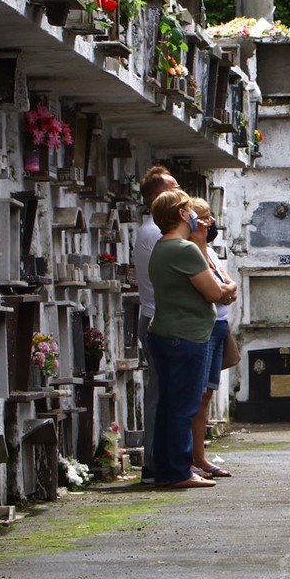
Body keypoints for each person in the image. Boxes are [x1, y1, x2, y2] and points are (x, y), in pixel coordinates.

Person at [147, 189, 237, 488]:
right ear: (184, 214)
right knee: (184, 406)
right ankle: (179, 472)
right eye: (190, 209)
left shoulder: (161, 247)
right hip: (187, 336)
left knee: (169, 407)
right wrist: (225, 289)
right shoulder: (183, 249)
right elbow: (215, 292)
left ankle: (166, 470)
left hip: (165, 333)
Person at [134, 165, 179, 484]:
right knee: (162, 394)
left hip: (158, 314)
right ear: (158, 197)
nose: (181, 194)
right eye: (173, 188)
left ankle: (164, 459)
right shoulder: (155, 233)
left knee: (166, 393)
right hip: (158, 317)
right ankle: (154, 462)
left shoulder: (156, 231)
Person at [187, 197, 235, 479]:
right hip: (204, 327)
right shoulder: (191, 253)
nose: (211, 222)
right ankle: (190, 459)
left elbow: (231, 285)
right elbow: (216, 291)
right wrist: (225, 289)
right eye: (205, 217)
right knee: (195, 395)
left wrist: (227, 288)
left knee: (205, 396)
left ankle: (200, 457)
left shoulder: (211, 253)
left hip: (219, 326)